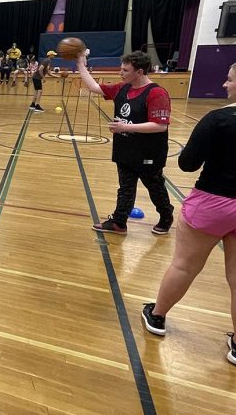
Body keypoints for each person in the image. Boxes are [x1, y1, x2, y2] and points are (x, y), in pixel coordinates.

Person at [141, 63, 236, 367]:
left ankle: (157, 316)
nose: (225, 84)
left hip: (213, 203)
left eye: (230, 79)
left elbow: (187, 164)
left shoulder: (218, 120)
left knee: (184, 266)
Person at [77, 50, 174, 235]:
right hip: (125, 149)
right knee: (126, 188)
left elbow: (160, 126)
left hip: (149, 152)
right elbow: (95, 87)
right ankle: (119, 222)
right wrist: (81, 64)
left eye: (125, 70)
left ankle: (166, 216)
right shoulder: (123, 88)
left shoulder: (156, 93)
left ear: (140, 72)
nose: (120, 73)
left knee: (155, 187)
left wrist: (126, 127)